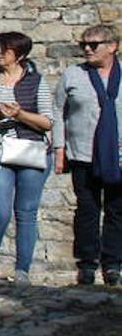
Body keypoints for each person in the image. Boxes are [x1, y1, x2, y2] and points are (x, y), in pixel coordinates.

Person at [0, 32, 54, 284]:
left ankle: (22, 270)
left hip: (31, 151)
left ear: (20, 55)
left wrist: (20, 115)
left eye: (4, 50)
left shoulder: (37, 81)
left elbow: (47, 122)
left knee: (26, 211)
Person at [54, 24, 122, 286]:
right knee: (87, 210)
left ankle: (113, 263)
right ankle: (87, 264)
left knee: (117, 211)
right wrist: (59, 149)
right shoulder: (73, 75)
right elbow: (58, 113)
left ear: (112, 46)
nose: (87, 49)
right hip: (82, 154)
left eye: (93, 44)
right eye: (84, 44)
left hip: (117, 156)